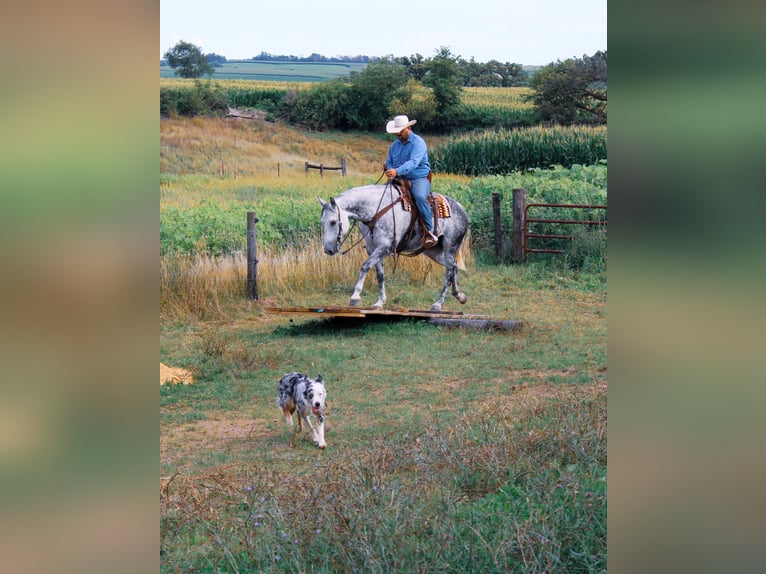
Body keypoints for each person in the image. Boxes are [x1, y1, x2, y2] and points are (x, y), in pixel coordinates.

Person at [383, 115, 438, 248]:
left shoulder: (418, 143)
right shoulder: (395, 145)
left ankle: (429, 232)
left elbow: (413, 163)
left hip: (418, 178)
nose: (397, 134)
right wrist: (390, 170)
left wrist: (396, 171)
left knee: (419, 197)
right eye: (396, 132)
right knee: (382, 196)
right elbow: (389, 160)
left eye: (400, 131)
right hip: (399, 178)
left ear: (408, 128)